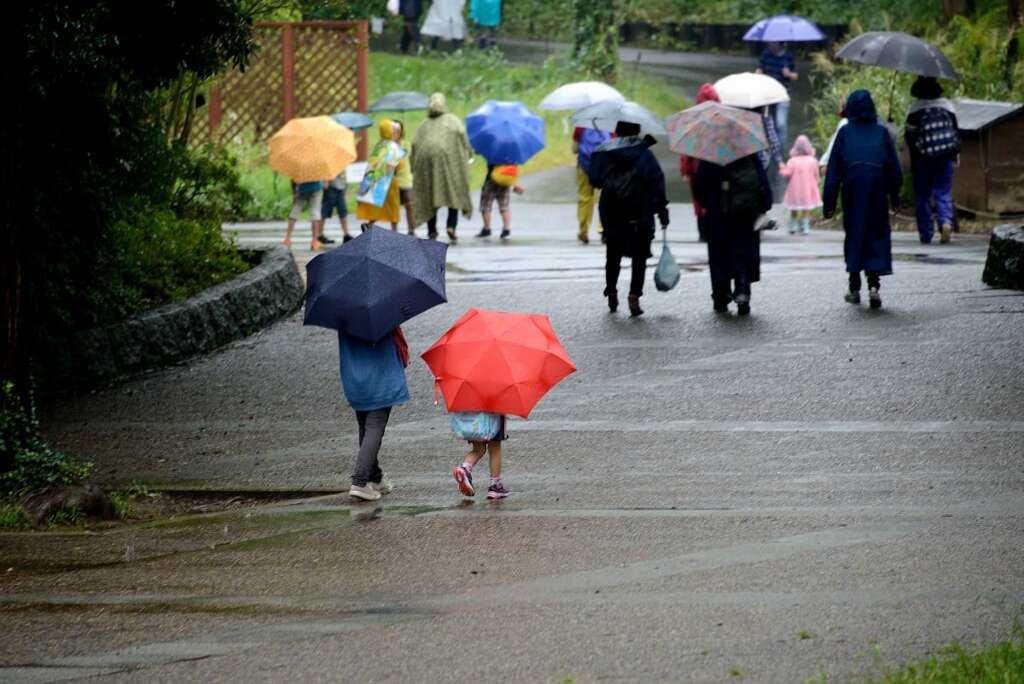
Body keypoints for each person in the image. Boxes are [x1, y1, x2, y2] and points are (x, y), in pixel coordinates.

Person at [823, 90, 903, 310]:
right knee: (876, 232)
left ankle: (854, 285)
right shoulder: (882, 132)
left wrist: (829, 204)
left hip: (853, 188)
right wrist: (895, 197)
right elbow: (894, 170)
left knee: (855, 232)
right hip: (878, 188)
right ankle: (874, 286)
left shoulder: (845, 133)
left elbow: (833, 173)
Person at [588, 121, 669, 317]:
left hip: (611, 209)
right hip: (639, 210)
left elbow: (594, 180)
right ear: (638, 132)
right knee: (639, 256)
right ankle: (634, 297)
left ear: (616, 132)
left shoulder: (604, 152)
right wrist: (662, 211)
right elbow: (656, 182)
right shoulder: (645, 154)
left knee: (613, 253)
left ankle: (612, 292)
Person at [693, 149, 773, 316]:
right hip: (746, 213)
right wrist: (763, 206)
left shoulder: (710, 153)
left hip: (717, 214)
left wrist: (708, 203)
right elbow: (762, 181)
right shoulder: (750, 151)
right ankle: (743, 289)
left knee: (719, 254)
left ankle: (721, 297)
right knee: (743, 251)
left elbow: (699, 184)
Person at [338, 324, 411, 501]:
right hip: (380, 378)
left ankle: (374, 476)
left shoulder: (343, 314)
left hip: (355, 378)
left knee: (365, 426)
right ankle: (360, 481)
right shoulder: (382, 314)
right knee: (374, 427)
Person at [411, 93, 473, 241]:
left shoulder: (423, 125)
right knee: (454, 192)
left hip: (426, 165)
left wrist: (413, 165)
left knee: (429, 195)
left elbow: (414, 145)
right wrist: (468, 153)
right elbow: (463, 138)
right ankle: (451, 226)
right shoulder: (453, 121)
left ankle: (432, 231)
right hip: (450, 164)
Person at [905, 76, 960, 244]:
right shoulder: (948, 107)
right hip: (945, 157)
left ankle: (926, 233)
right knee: (943, 191)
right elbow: (955, 133)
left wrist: (913, 163)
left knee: (922, 195)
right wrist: (955, 155)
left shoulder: (915, 110)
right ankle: (945, 222)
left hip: (923, 158)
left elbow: (910, 139)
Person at [680, 83, 720, 242]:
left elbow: (686, 150)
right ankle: (715, 230)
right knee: (716, 199)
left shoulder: (692, 120)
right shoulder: (722, 118)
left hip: (697, 168)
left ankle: (703, 233)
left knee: (699, 201)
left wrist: (686, 170)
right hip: (718, 166)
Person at [356, 119, 408, 232]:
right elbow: (399, 165)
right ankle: (394, 230)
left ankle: (369, 224)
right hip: (390, 181)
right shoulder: (393, 147)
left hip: (376, 181)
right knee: (393, 207)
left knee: (378, 206)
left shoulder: (379, 145)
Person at [451, 412, 509, 500]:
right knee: (495, 448)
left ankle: (465, 468)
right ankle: (495, 486)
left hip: (474, 417)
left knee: (478, 449)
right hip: (494, 413)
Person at [573, 125, 612, 244]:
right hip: (605, 167)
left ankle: (583, 231)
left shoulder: (581, 126)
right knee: (606, 197)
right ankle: (604, 228)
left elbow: (574, 149)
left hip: (584, 166)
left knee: (585, 198)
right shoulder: (610, 126)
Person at [756, 41, 798, 147]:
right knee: (769, 124)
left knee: (781, 124)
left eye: (773, 42)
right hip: (768, 94)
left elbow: (795, 76)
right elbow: (760, 68)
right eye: (770, 42)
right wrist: (758, 72)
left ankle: (780, 151)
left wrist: (789, 74)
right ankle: (771, 150)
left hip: (783, 94)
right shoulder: (766, 54)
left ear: (779, 44)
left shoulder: (788, 56)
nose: (770, 44)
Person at [778, 134, 822, 235]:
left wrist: (782, 168)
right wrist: (817, 182)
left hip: (795, 190)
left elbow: (787, 173)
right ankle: (805, 227)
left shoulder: (792, 161)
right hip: (808, 189)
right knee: (806, 209)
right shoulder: (813, 161)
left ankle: (792, 226)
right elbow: (816, 174)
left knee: (794, 208)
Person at [475, 163, 524, 240]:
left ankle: (487, 228)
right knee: (504, 206)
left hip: (491, 180)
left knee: (486, 205)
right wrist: (513, 185)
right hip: (505, 182)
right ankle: (506, 229)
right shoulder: (511, 155)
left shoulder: (493, 153)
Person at [283, 179, 325, 251]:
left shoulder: (300, 168)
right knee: (315, 213)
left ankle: (287, 239)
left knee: (295, 210)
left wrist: (294, 192)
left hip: (302, 188)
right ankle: (314, 242)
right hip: (316, 187)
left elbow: (293, 179)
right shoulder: (318, 168)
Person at [393, 120, 416, 235]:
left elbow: (405, 156)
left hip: (406, 180)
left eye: (398, 130)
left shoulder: (406, 144)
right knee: (394, 207)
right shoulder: (388, 146)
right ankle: (394, 230)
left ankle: (411, 229)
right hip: (393, 181)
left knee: (409, 205)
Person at [321, 171, 352, 244]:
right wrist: (326, 180)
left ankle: (346, 234)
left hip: (340, 188)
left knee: (343, 211)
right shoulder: (332, 162)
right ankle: (320, 235)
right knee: (324, 212)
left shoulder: (341, 163)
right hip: (331, 187)